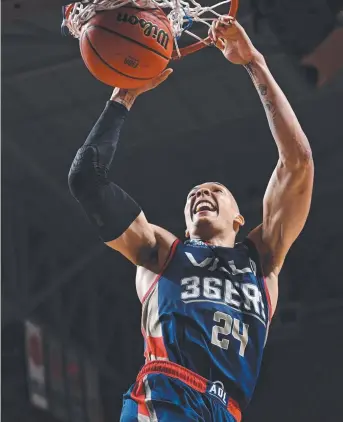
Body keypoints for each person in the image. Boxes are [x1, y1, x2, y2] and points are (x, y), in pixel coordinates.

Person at [68, 17, 314, 422]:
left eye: (215, 190)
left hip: (227, 411)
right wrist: (124, 96)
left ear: (239, 218)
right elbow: (87, 179)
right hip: (166, 394)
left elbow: (298, 163)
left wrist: (255, 63)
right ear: (184, 224)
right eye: (193, 195)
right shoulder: (162, 253)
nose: (201, 193)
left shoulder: (263, 260)